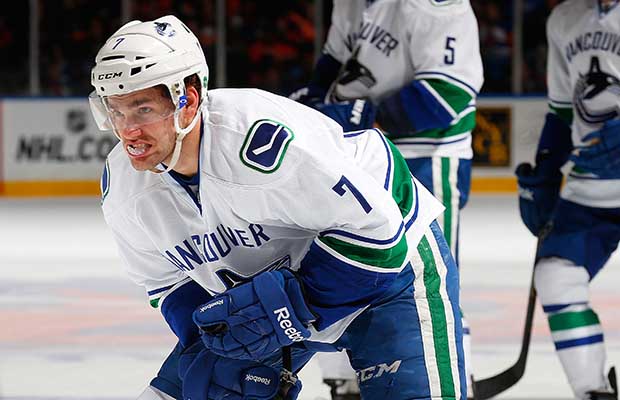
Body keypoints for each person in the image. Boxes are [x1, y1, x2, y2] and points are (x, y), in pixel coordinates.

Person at [89, 15, 467, 400]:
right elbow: (168, 284)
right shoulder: (124, 188)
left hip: (389, 266)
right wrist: (219, 344)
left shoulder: (260, 140)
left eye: (143, 110)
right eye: (116, 111)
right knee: (202, 386)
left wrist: (290, 311)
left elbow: (378, 236)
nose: (128, 131)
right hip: (277, 293)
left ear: (189, 99)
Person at [289, 1, 483, 396]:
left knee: (431, 277)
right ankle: (345, 383)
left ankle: (451, 381)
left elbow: (446, 95)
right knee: (345, 261)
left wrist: (352, 116)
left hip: (426, 155)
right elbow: (334, 59)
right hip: (361, 154)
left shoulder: (437, 6)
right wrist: (315, 104)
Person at [515, 0, 620, 398]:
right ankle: (593, 391)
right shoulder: (564, 19)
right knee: (556, 275)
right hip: (590, 183)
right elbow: (561, 110)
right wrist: (545, 171)